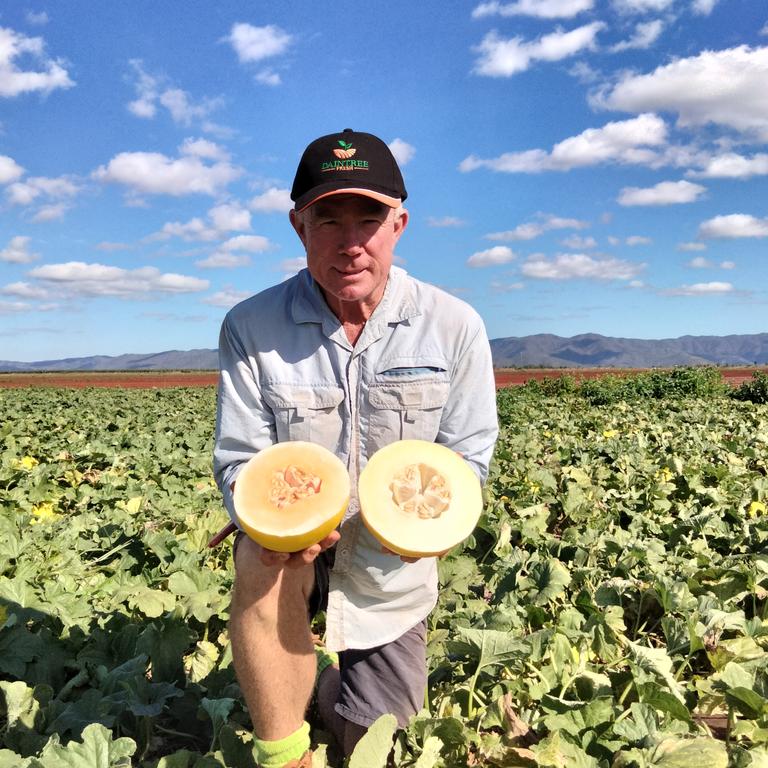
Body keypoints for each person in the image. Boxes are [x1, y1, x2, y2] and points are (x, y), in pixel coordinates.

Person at [212, 129, 498, 768]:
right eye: (327, 219)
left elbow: (467, 456)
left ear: (398, 223)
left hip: (386, 570)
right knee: (259, 553)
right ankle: (283, 754)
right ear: (298, 225)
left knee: (375, 745)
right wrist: (264, 520)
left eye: (368, 218)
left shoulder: (456, 326)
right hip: (292, 557)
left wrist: (433, 527)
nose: (350, 241)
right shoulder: (249, 326)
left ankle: (332, 675)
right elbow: (239, 459)